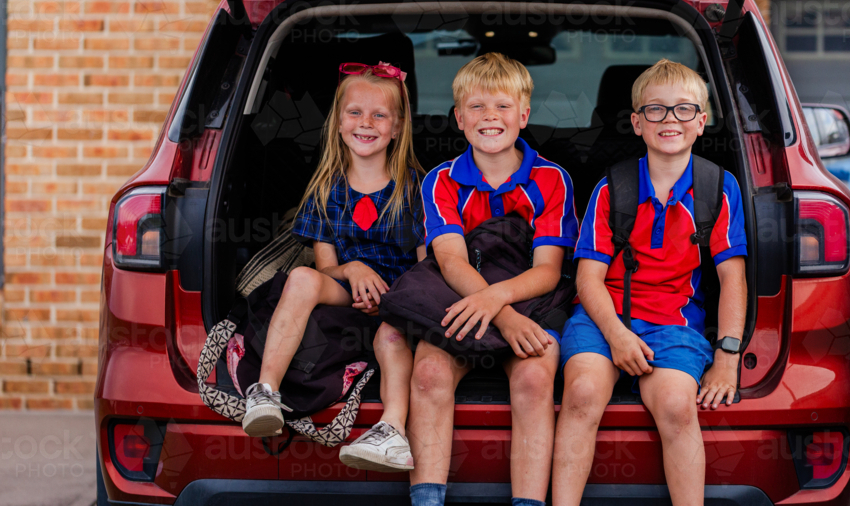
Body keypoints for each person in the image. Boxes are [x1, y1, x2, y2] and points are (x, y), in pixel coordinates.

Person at [551, 59, 748, 506]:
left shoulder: (719, 188)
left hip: (674, 324)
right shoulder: (612, 187)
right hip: (604, 320)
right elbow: (588, 278)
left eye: (683, 110)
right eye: (656, 110)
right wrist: (617, 336)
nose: (669, 120)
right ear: (637, 123)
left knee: (678, 407)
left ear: (702, 122)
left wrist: (728, 358)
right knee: (581, 394)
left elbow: (732, 277)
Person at [407, 52, 578, 506]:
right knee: (427, 374)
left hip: (531, 301)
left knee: (536, 379)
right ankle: (426, 500)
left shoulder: (551, 179)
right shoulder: (441, 180)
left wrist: (504, 307)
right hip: (462, 297)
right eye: (477, 107)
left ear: (523, 115)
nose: (490, 117)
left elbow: (548, 270)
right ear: (459, 118)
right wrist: (500, 316)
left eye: (502, 106)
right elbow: (448, 261)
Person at [242, 61, 424, 475]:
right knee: (303, 277)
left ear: (397, 128)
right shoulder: (326, 189)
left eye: (379, 115)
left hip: (399, 304)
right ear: (339, 122)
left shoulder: (415, 188)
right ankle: (266, 390)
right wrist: (353, 269)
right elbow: (326, 270)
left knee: (392, 337)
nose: (366, 123)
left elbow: (426, 267)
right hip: (343, 297)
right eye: (355, 112)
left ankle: (393, 429)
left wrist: (394, 300)